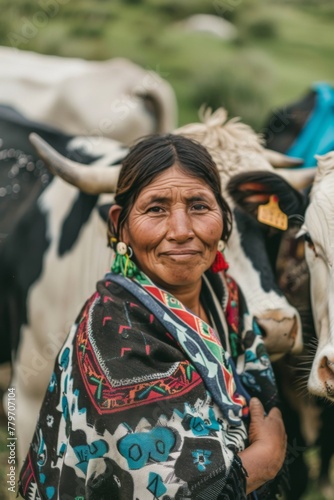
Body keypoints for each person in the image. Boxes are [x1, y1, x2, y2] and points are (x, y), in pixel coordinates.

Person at [18, 134, 286, 499]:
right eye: (156, 208)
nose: (181, 231)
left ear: (224, 219)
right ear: (119, 225)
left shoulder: (227, 299)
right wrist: (263, 462)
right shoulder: (113, 336)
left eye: (199, 206)